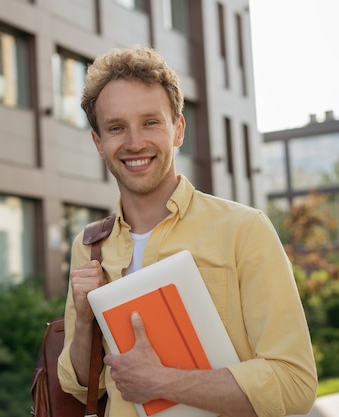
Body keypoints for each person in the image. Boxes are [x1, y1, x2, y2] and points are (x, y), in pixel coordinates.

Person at [57, 47, 317, 417]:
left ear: (178, 129)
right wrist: (85, 322)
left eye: (151, 122)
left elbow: (295, 383)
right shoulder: (91, 246)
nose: (134, 143)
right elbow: (80, 384)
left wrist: (162, 382)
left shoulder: (243, 230)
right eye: (116, 128)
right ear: (99, 143)